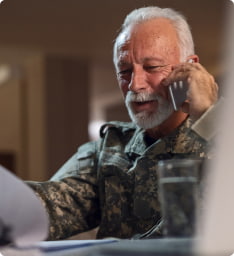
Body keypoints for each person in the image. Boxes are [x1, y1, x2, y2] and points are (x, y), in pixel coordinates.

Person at [27, 6, 219, 240]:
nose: (135, 84)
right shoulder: (109, 149)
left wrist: (210, 115)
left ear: (191, 67)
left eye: (152, 67)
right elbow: (45, 207)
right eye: (125, 70)